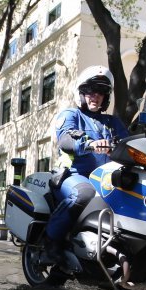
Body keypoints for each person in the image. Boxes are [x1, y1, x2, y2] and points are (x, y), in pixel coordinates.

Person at [43, 65, 130, 264]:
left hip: (105, 178)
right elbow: (65, 140)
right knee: (83, 193)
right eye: (91, 90)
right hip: (73, 175)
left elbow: (129, 143)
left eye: (101, 92)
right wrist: (90, 144)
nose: (95, 96)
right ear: (82, 93)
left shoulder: (112, 122)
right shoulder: (71, 115)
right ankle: (51, 241)